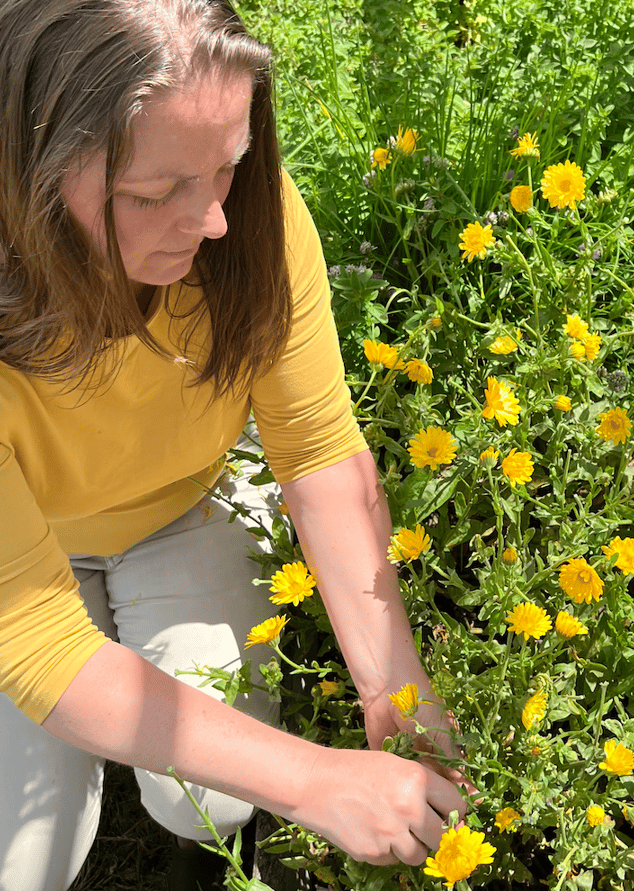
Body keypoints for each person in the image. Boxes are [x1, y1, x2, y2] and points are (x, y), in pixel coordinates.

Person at [0, 2, 470, 890]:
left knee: (207, 799)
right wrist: (316, 779)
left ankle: (202, 852)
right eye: (151, 193)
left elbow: (318, 448)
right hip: (22, 565)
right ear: (30, 167)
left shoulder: (247, 217)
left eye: (230, 166)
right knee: (22, 862)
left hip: (184, 507)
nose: (213, 221)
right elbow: (36, 641)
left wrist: (394, 696)